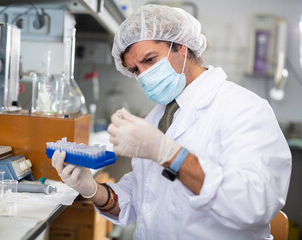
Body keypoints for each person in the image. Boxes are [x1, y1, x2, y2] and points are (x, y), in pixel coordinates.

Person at [51, 4, 292, 239]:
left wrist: (170, 154)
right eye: (135, 70)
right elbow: (138, 201)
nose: (144, 75)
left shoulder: (243, 109)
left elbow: (255, 204)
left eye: (150, 60)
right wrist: (93, 190)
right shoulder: (160, 116)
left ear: (182, 47)